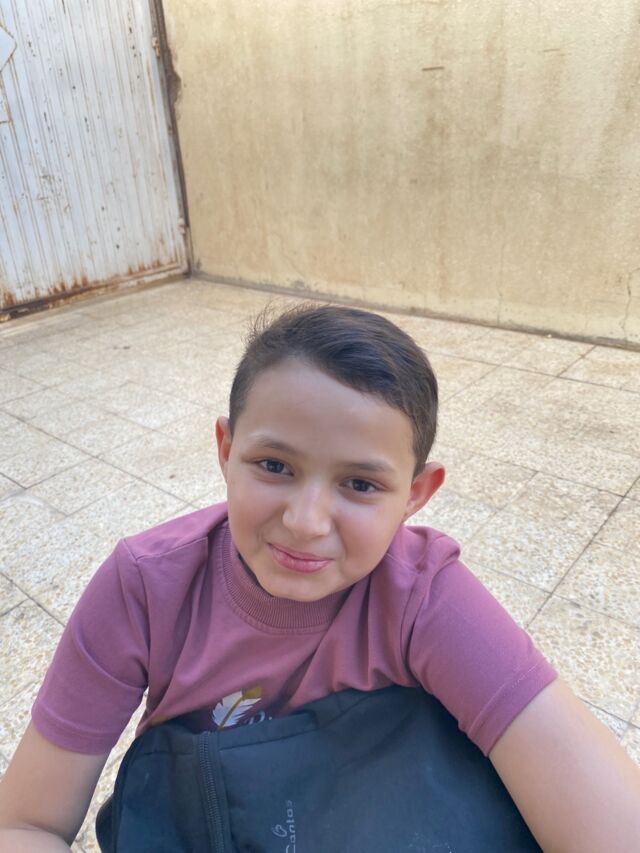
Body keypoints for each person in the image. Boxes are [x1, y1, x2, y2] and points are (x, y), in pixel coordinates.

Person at [0, 303, 639, 852]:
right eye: (274, 465)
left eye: (360, 484)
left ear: (416, 494)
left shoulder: (423, 598)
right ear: (226, 450)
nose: (305, 524)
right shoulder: (145, 587)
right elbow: (27, 821)